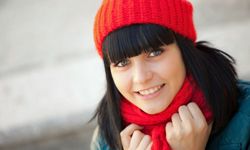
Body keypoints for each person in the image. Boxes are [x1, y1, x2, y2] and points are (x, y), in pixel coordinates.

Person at [90, 0, 250, 149]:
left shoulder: (245, 116)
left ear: (184, 50)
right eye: (122, 63)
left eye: (155, 52)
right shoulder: (106, 135)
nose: (141, 77)